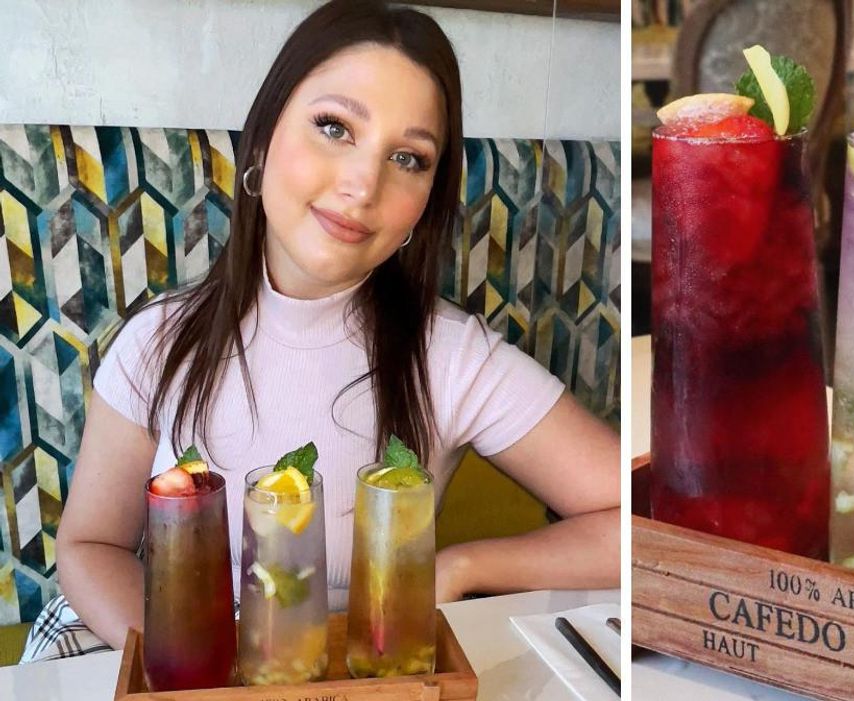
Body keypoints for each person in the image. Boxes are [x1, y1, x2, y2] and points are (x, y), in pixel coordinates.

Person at [20, 0, 619, 663]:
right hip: (164, 653)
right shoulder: (157, 342)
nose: (363, 183)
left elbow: (638, 529)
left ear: (426, 202)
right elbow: (89, 546)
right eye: (334, 127)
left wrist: (460, 566)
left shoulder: (451, 357)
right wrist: (193, 664)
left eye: (409, 158)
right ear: (262, 138)